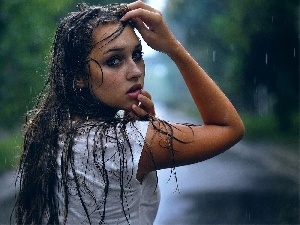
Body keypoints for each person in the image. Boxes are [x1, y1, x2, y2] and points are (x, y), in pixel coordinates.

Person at [14, 1, 245, 224]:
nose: (135, 71)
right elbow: (229, 128)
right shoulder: (125, 143)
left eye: (137, 55)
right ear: (79, 77)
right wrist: (174, 48)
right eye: (114, 60)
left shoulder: (53, 136)